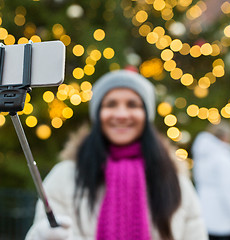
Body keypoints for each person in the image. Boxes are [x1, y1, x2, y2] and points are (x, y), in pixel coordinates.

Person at [25, 69, 208, 240]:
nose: (121, 114)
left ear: (146, 114)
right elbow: (40, 230)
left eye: (132, 104)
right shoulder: (66, 176)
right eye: (111, 104)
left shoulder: (174, 180)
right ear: (98, 113)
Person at [192, 122, 230, 240]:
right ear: (224, 137)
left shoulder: (201, 157)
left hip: (204, 213)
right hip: (223, 218)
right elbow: (228, 190)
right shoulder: (222, 159)